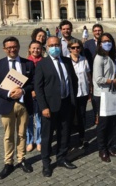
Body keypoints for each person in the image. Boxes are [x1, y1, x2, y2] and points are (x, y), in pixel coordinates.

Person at [35, 36, 78, 177]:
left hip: (66, 103)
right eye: (51, 45)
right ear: (47, 48)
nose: (55, 47)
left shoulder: (66, 61)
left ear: (61, 46)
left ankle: (61, 158)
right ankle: (46, 163)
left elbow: (73, 80)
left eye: (57, 45)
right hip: (49, 107)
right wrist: (43, 107)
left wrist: (72, 99)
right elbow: (38, 88)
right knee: (47, 136)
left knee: (64, 133)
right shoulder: (42, 64)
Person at [0, 36, 35, 180]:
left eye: (14, 46)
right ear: (4, 49)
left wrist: (23, 91)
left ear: (18, 47)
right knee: (8, 135)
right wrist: (8, 92)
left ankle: (21, 159)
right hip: (6, 103)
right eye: (9, 47)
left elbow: (33, 83)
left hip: (23, 104)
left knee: (22, 134)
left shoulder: (28, 64)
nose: (12, 49)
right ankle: (8, 162)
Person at [93, 33, 116, 162]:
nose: (107, 43)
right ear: (99, 43)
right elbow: (98, 79)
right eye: (104, 41)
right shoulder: (99, 58)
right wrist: (112, 81)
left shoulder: (111, 56)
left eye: (109, 40)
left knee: (113, 122)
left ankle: (110, 146)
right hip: (102, 94)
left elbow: (111, 73)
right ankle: (102, 149)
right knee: (103, 123)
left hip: (111, 93)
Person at [67, 39, 92, 147]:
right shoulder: (66, 61)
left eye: (78, 47)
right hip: (71, 94)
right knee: (70, 116)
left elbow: (88, 76)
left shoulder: (84, 60)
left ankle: (82, 137)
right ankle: (67, 140)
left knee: (82, 115)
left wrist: (90, 89)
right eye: (73, 47)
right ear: (69, 49)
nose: (76, 49)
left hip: (83, 92)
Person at [84, 23, 104, 124]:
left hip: (104, 74)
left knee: (104, 94)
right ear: (92, 32)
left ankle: (104, 114)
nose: (97, 32)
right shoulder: (87, 44)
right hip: (91, 73)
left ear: (102, 31)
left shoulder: (106, 42)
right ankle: (96, 114)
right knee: (94, 96)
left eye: (99, 30)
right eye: (95, 31)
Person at [26, 41, 43, 152]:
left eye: (38, 48)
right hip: (27, 95)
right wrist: (31, 90)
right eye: (33, 48)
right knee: (29, 118)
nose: (36, 50)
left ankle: (39, 140)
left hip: (40, 94)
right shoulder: (25, 62)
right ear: (29, 49)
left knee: (39, 118)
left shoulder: (45, 62)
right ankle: (30, 140)